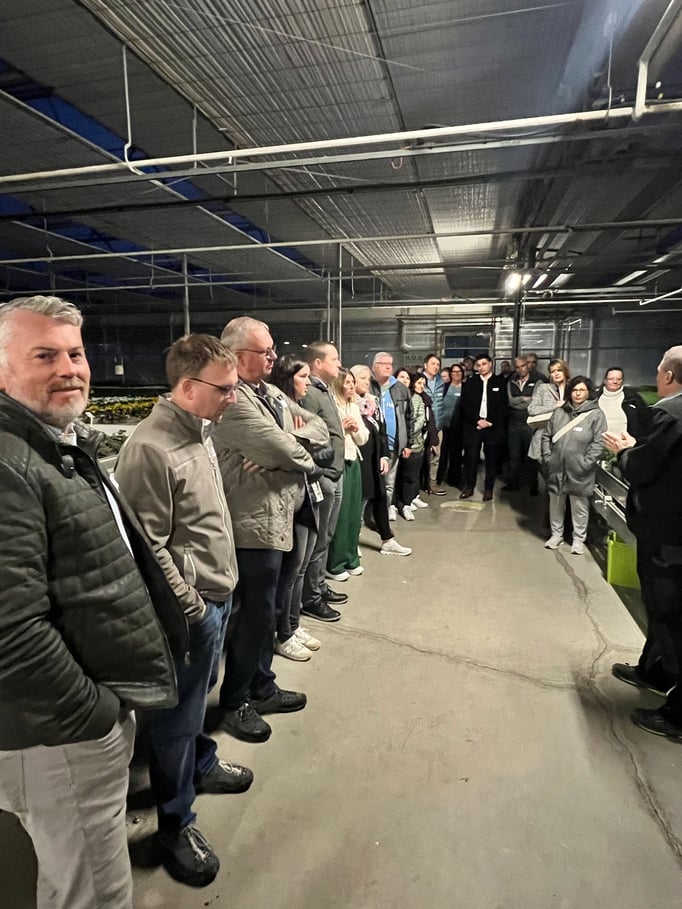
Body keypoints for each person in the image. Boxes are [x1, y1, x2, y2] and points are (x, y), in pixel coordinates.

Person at [0, 295, 185, 909]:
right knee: (95, 893)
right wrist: (96, 716)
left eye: (75, 354)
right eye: (44, 356)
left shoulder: (52, 445)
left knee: (73, 878)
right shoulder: (9, 463)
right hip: (60, 735)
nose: (69, 369)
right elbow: (9, 633)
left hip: (72, 724)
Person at [115, 333, 251, 887]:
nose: (234, 398)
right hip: (193, 610)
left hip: (218, 595)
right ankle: (175, 823)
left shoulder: (200, 432)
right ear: (189, 387)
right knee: (176, 719)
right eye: (225, 388)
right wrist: (192, 607)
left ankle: (201, 763)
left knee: (197, 701)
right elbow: (148, 549)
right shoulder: (151, 449)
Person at [214, 318, 320, 744]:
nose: (274, 357)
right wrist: (289, 452)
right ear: (238, 356)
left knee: (269, 611)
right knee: (253, 616)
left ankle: (262, 685)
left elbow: (316, 428)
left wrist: (289, 451)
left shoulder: (269, 393)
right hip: (251, 525)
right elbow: (284, 448)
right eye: (266, 351)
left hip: (280, 515)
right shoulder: (233, 401)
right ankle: (235, 700)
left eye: (273, 349)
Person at [604, 346, 682, 741]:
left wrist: (623, 451)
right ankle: (655, 671)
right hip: (669, 532)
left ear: (668, 375)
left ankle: (679, 713)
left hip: (669, 536)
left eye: (657, 371)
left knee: (670, 614)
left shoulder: (670, 414)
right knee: (661, 610)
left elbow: (642, 466)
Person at [269, 353, 328, 656]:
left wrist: (292, 442)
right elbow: (281, 451)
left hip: (308, 492)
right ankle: (283, 633)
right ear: (286, 378)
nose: (308, 383)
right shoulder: (274, 409)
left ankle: (293, 623)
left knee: (300, 567)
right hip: (288, 497)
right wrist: (299, 446)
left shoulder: (299, 410)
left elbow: (325, 443)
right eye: (302, 377)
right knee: (289, 571)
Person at [299, 340, 348, 622]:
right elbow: (306, 436)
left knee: (326, 537)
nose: (339, 364)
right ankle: (310, 598)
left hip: (335, 473)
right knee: (317, 540)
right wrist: (320, 469)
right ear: (318, 363)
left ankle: (318, 586)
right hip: (324, 475)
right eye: (334, 359)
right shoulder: (309, 393)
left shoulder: (324, 390)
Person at [350, 364, 412, 556]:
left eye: (368, 379)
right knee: (359, 501)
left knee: (380, 497)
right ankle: (352, 540)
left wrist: (384, 455)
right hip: (359, 460)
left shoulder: (373, 402)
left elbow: (382, 431)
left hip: (375, 458)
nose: (366, 383)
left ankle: (388, 540)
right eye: (362, 379)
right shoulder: (349, 404)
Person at [541, 376, 606, 554]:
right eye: (575, 390)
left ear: (588, 393)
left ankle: (578, 539)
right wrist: (548, 457)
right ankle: (556, 535)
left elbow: (599, 442)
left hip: (580, 470)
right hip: (556, 468)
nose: (578, 394)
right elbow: (546, 436)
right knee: (555, 504)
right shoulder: (559, 412)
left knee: (579, 506)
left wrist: (586, 463)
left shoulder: (596, 414)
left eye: (582, 390)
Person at [326, 369, 369, 578]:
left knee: (353, 514)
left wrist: (355, 429)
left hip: (354, 461)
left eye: (353, 382)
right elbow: (326, 436)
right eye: (348, 382)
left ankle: (352, 559)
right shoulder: (331, 405)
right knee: (340, 516)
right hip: (338, 462)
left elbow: (364, 437)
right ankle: (335, 564)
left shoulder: (353, 406)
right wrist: (342, 428)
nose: (352, 386)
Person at [459, 353, 508, 501]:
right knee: (471, 458)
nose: (481, 367)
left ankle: (488, 489)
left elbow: (503, 406)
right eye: (478, 365)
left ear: (490, 364)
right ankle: (469, 487)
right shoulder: (470, 383)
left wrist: (491, 421)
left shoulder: (500, 382)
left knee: (491, 459)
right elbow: (464, 405)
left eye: (484, 364)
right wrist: (477, 420)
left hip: (493, 427)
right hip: (474, 426)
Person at [371, 353, 414, 520]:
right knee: (372, 483)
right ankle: (368, 515)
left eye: (390, 363)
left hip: (393, 446)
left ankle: (386, 510)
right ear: (374, 366)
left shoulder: (400, 389)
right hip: (372, 447)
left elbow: (409, 417)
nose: (388, 366)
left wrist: (408, 443)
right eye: (383, 363)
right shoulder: (368, 386)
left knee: (389, 483)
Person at [504, 356, 541, 494]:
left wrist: (518, 401)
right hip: (513, 424)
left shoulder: (537, 382)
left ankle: (533, 486)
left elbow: (535, 401)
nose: (521, 369)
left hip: (529, 425)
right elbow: (509, 401)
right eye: (517, 367)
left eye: (523, 366)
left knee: (531, 457)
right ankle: (513, 483)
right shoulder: (511, 382)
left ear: (528, 365)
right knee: (514, 456)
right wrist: (524, 399)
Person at [527, 358, 570, 464]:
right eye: (552, 371)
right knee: (546, 470)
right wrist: (554, 406)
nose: (556, 373)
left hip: (567, 437)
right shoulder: (544, 388)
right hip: (545, 438)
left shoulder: (574, 389)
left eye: (559, 370)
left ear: (565, 371)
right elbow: (532, 409)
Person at [596, 367, 650, 438]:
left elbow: (645, 422)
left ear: (622, 381)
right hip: (598, 442)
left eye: (619, 379)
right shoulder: (594, 398)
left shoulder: (634, 399)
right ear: (605, 380)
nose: (615, 381)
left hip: (625, 442)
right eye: (611, 379)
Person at [436, 363, 464, 488]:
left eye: (459, 372)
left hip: (458, 427)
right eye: (454, 372)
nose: (456, 374)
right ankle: (438, 477)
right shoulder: (445, 386)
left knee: (456, 454)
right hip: (443, 425)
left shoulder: (466, 388)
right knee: (442, 453)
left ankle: (454, 478)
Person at [421, 353, 446, 494]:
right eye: (433, 364)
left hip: (438, 424)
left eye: (438, 364)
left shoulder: (440, 381)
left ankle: (432, 483)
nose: (436, 367)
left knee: (436, 456)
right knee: (421, 457)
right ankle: (419, 484)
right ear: (425, 365)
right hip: (422, 426)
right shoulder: (419, 380)